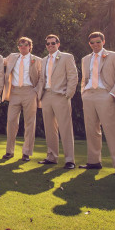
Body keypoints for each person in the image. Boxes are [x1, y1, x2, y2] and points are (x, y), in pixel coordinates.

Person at [80, 32, 115, 176]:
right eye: (92, 42)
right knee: (91, 130)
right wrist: (83, 93)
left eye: (98, 42)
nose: (95, 45)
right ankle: (94, 161)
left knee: (112, 130)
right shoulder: (85, 59)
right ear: (89, 44)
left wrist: (112, 94)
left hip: (106, 95)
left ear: (104, 41)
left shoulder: (113, 56)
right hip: (89, 96)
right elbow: (84, 78)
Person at [39, 35, 78, 169]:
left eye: (53, 43)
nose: (51, 45)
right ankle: (51, 157)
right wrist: (40, 94)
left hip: (61, 95)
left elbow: (73, 76)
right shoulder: (43, 60)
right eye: (48, 44)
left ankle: (69, 160)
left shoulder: (67, 57)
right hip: (46, 96)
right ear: (46, 46)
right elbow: (41, 79)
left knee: (65, 128)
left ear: (58, 44)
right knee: (50, 128)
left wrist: (68, 94)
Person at [2, 37, 43, 161]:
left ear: (30, 46)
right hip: (14, 92)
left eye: (25, 44)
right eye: (20, 44)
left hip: (30, 91)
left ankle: (26, 153)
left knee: (30, 123)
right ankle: (9, 151)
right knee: (11, 121)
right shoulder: (12, 57)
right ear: (18, 46)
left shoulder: (37, 60)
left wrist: (36, 90)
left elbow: (42, 77)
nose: (23, 46)